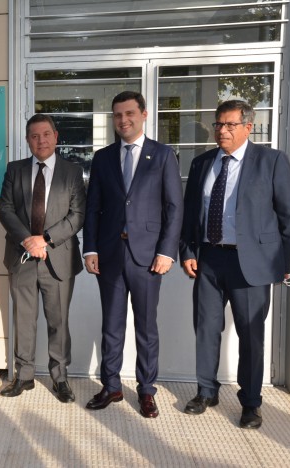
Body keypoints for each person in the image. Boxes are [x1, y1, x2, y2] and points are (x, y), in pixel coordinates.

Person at [180, 99, 290, 429]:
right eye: (218, 124)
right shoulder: (202, 163)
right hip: (208, 258)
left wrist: (281, 261)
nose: (222, 131)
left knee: (251, 335)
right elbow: (191, 214)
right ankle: (206, 391)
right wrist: (188, 251)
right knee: (206, 329)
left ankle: (251, 402)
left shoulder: (271, 161)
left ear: (248, 127)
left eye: (230, 125)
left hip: (251, 263)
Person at [82, 91, 183, 418]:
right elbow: (93, 206)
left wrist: (167, 251)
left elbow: (174, 208)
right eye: (117, 115)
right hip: (110, 254)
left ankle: (146, 390)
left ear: (143, 114)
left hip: (148, 257)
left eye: (129, 114)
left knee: (146, 327)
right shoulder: (103, 157)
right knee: (111, 325)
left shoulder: (164, 155)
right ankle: (111, 386)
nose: (123, 120)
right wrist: (91, 247)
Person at [0, 114, 86, 403]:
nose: (41, 140)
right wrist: (28, 239)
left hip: (57, 258)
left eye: (46, 134)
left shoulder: (72, 172)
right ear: (27, 140)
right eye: (34, 136)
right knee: (23, 319)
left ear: (56, 136)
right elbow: (6, 210)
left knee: (58, 321)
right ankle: (23, 376)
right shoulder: (15, 169)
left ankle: (59, 377)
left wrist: (44, 239)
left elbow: (77, 215)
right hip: (22, 256)